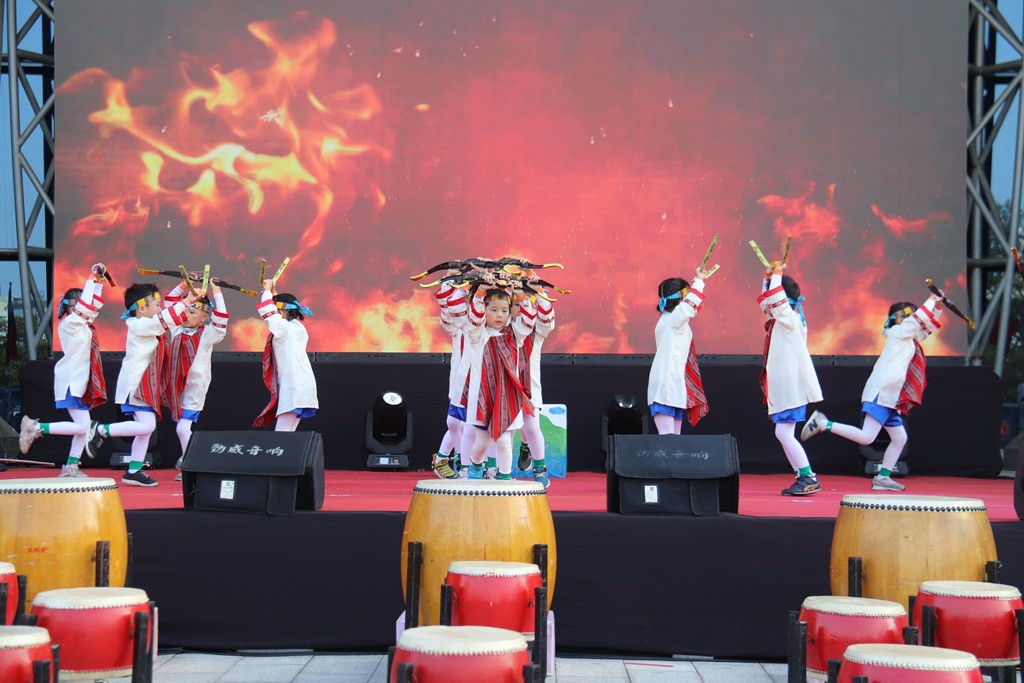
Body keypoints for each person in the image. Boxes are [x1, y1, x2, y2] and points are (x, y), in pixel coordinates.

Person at [801, 296, 944, 491]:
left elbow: (926, 327)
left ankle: (883, 477)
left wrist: (937, 307)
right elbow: (917, 320)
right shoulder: (897, 333)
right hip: (882, 392)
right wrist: (932, 299)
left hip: (891, 396)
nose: (912, 320)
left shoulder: (908, 337)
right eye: (907, 316)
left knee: (900, 438)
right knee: (867, 437)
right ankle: (823, 423)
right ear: (898, 319)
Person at [85, 281, 196, 486]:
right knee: (147, 425)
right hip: (136, 385)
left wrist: (182, 286)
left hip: (144, 385)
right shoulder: (140, 325)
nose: (160, 308)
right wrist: (187, 301)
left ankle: (133, 470)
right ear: (142, 308)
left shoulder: (149, 325)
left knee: (145, 429)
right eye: (156, 305)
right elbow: (165, 319)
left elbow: (168, 317)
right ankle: (100, 430)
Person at [19, 264, 109, 478]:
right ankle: (36, 428)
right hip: (71, 381)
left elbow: (92, 308)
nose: (88, 307)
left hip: (78, 381)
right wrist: (92, 279)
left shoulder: (81, 323)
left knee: (83, 427)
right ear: (74, 306)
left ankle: (71, 467)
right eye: (83, 302)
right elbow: (86, 308)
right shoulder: (71, 322)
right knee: (84, 428)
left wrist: (98, 284)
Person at [758, 262, 823, 496]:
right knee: (783, 434)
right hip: (786, 386)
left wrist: (777, 275)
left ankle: (808, 476)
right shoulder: (785, 316)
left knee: (784, 434)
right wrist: (768, 278)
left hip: (791, 386)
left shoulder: (788, 318)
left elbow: (775, 299)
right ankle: (803, 475)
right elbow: (767, 301)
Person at [463, 284, 536, 481]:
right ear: (484, 310)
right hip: (484, 397)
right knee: (482, 444)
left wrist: (521, 296)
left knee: (504, 443)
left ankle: (504, 479)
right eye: (493, 310)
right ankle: (475, 466)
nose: (499, 315)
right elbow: (474, 318)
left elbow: (529, 321)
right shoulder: (478, 334)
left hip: (508, 398)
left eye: (504, 310)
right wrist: (480, 292)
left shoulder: (515, 334)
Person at [165, 281, 229, 481]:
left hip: (195, 390)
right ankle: (189, 460)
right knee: (181, 428)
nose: (186, 315)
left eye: (193, 312)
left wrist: (216, 292)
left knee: (182, 428)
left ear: (204, 317)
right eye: (186, 310)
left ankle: (191, 464)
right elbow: (170, 303)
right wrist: (184, 284)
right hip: (176, 387)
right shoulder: (177, 329)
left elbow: (221, 317)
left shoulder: (208, 334)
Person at [647, 269, 711, 436]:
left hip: (675, 384)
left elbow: (690, 308)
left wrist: (697, 282)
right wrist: (699, 281)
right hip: (666, 385)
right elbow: (689, 307)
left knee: (675, 441)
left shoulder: (672, 319)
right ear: (682, 298)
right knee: (668, 439)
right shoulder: (673, 319)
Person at [252, 279, 318, 431]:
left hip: (293, 388)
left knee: (281, 436)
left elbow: (270, 315)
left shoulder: (285, 329)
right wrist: (273, 292)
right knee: (287, 434)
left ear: (280, 312)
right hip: (300, 386)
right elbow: (276, 314)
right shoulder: (296, 327)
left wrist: (267, 291)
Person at [515, 288, 556, 488]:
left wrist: (539, 292)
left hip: (529, 388)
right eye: (515, 305)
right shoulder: (501, 327)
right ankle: (492, 469)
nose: (520, 308)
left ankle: (540, 468)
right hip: (503, 386)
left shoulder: (537, 330)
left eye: (523, 304)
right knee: (501, 431)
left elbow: (547, 317)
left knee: (531, 427)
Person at [429, 276, 468, 479]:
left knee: (471, 424)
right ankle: (452, 461)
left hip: (484, 377)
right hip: (461, 379)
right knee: (457, 422)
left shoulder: (489, 318)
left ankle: (451, 460)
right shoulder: (459, 320)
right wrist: (453, 280)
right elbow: (447, 313)